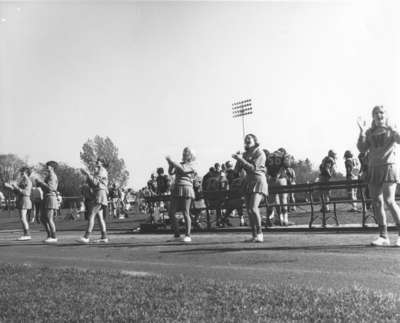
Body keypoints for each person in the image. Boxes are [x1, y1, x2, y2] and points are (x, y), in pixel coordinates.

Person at [357, 106, 400, 247]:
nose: (378, 115)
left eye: (381, 112)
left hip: (388, 167)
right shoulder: (369, 132)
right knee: (377, 202)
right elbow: (362, 148)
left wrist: (394, 130)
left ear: (385, 115)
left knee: (389, 201)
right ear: (373, 116)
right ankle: (383, 236)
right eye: (375, 113)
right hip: (373, 169)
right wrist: (361, 132)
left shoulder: (390, 129)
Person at [232, 134, 268, 242]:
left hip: (258, 181)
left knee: (253, 208)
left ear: (255, 141)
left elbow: (253, 168)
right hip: (247, 182)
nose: (247, 141)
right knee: (249, 210)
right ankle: (254, 235)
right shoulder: (244, 154)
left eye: (249, 139)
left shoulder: (259, 152)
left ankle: (260, 233)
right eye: (245, 139)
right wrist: (238, 160)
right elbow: (236, 172)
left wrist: (241, 159)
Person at [166, 147, 197, 243]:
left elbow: (182, 170)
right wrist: (170, 164)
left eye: (186, 153)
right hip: (177, 188)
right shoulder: (180, 164)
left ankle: (188, 235)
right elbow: (171, 172)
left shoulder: (192, 164)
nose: (184, 154)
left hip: (187, 188)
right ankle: (177, 235)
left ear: (190, 156)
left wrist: (172, 161)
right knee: (171, 212)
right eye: (183, 153)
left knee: (185, 212)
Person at [78, 158, 109, 243]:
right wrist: (87, 175)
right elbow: (92, 183)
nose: (96, 162)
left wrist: (88, 174)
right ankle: (104, 237)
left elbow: (96, 183)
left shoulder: (102, 170)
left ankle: (86, 237)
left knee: (92, 215)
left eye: (99, 161)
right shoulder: (98, 171)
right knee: (99, 217)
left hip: (100, 193)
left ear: (102, 163)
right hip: (99, 193)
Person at [4, 167, 33, 240]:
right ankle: (26, 234)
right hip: (21, 200)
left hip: (25, 199)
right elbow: (17, 191)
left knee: (23, 218)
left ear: (26, 173)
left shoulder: (28, 181)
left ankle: (27, 235)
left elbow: (26, 192)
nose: (21, 174)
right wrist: (9, 187)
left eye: (22, 172)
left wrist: (15, 186)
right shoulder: (23, 181)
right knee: (22, 218)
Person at [36, 161, 59, 243]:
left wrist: (41, 182)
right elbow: (44, 186)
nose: (46, 167)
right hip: (46, 197)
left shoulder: (52, 176)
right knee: (43, 218)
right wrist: (39, 183)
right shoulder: (48, 176)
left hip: (50, 197)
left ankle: (54, 237)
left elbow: (50, 188)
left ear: (52, 167)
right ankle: (49, 235)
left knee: (49, 218)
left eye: (48, 166)